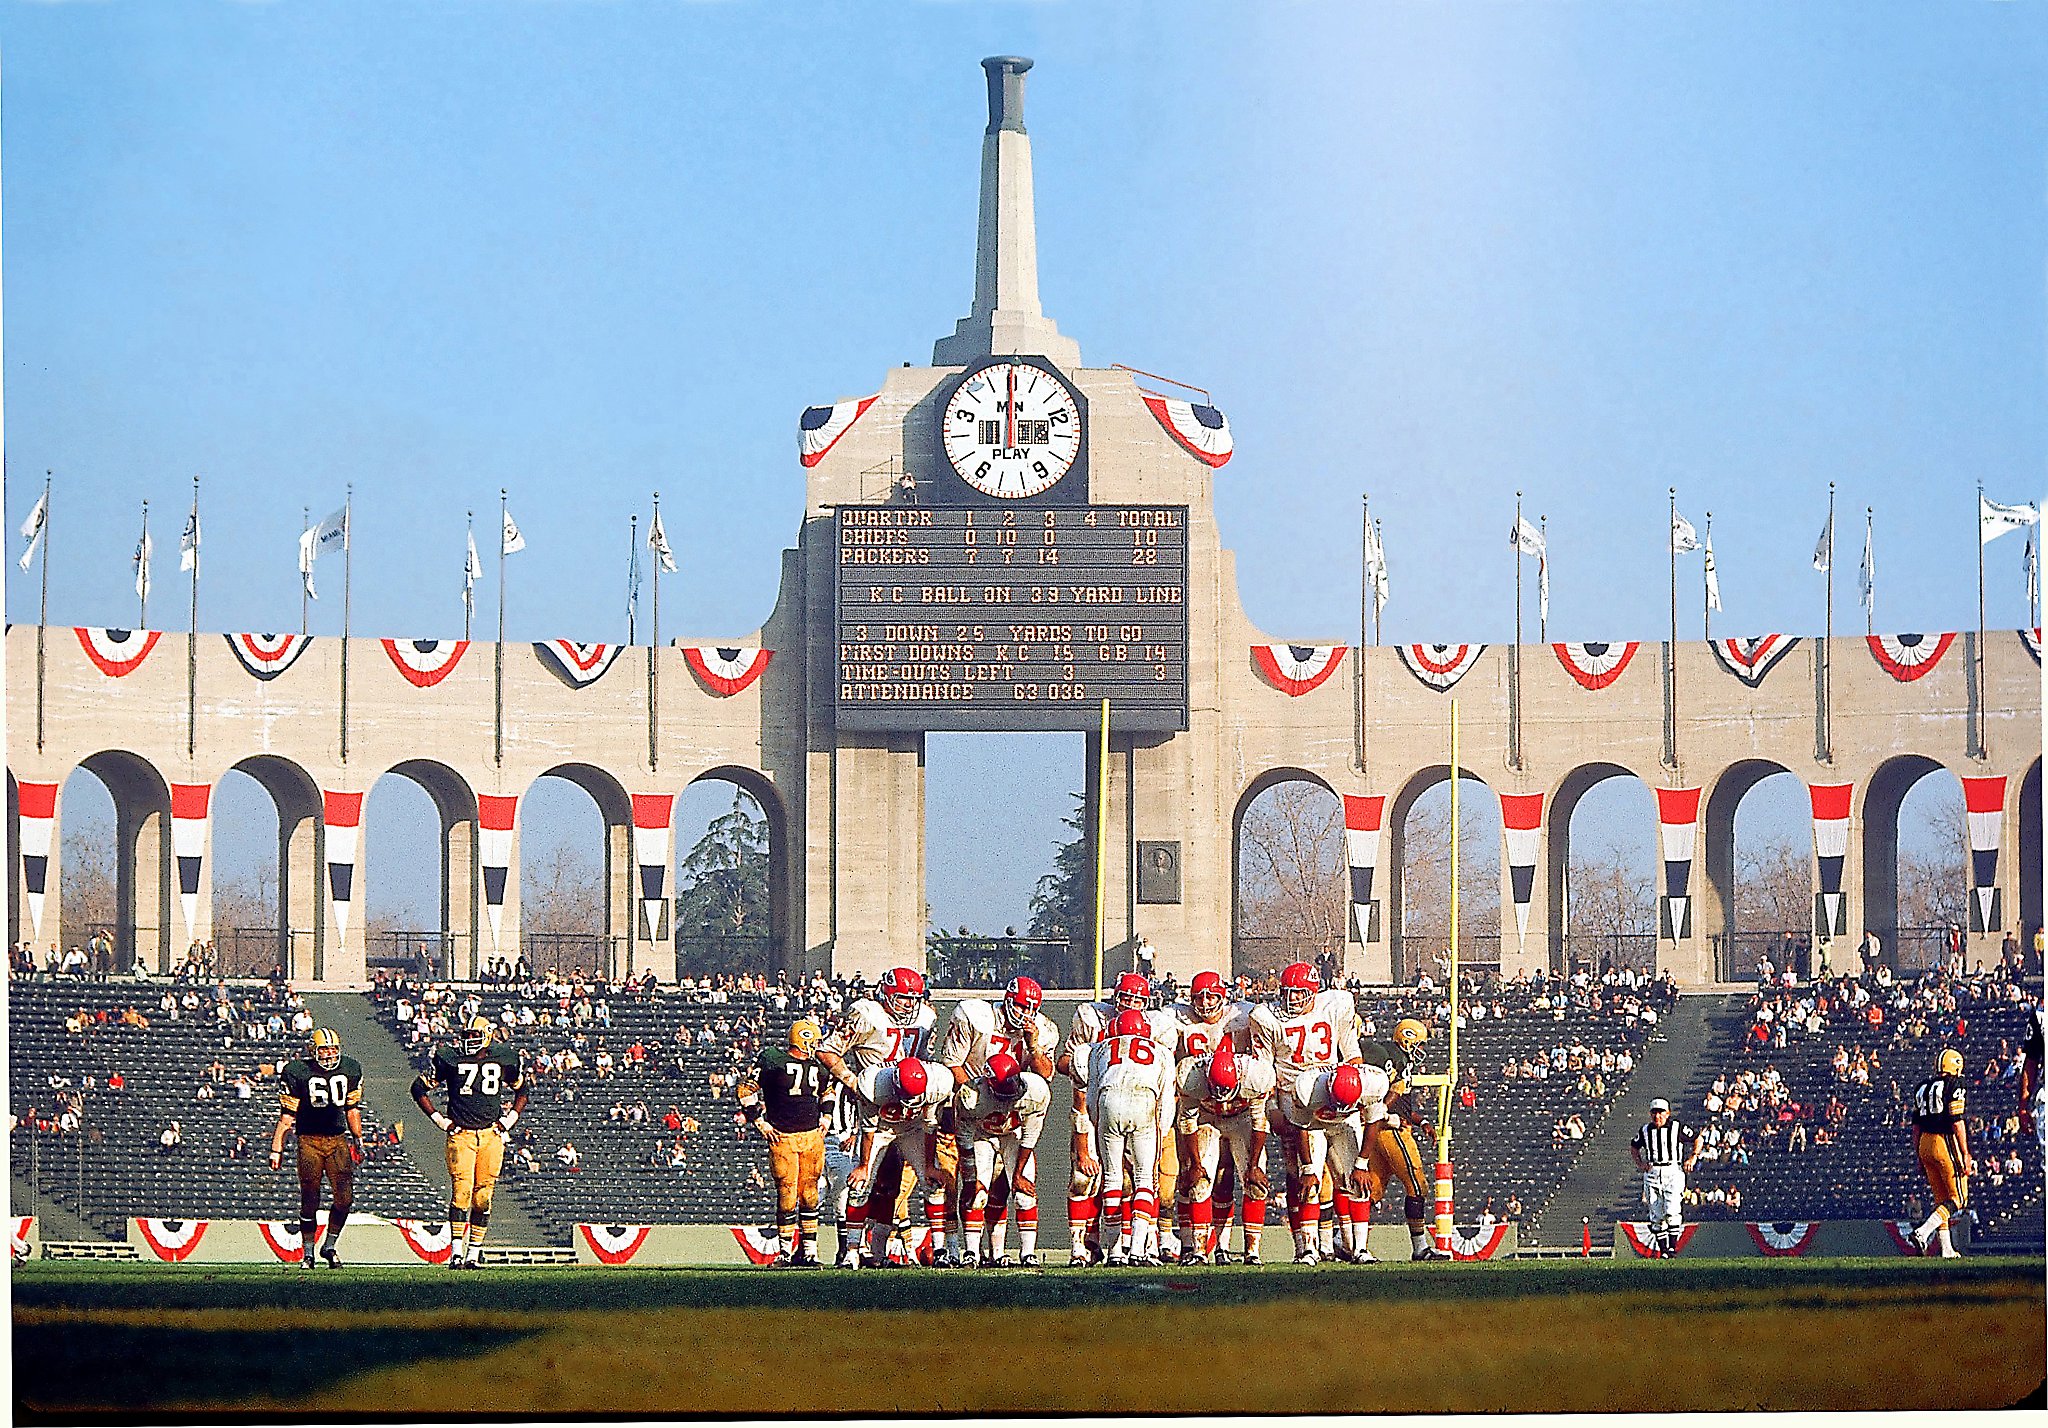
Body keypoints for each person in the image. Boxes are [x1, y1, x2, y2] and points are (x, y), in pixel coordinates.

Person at [1250, 962, 1362, 1262]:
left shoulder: (1335, 1005)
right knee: (1299, 1174)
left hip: (1328, 1092)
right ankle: (1305, 1245)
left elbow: (1353, 1055)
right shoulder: (1266, 1018)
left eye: (1300, 993)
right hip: (1291, 1096)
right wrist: (1271, 1107)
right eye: (1288, 993)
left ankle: (1349, 1244)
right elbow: (1264, 1069)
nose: (1292, 999)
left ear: (1314, 991)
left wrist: (1347, 1092)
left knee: (1344, 1173)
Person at [412, 1015, 528, 1269]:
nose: (470, 1041)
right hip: (462, 1134)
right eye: (467, 1036)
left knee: (483, 1197)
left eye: (475, 1036)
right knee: (461, 1192)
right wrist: (441, 1121)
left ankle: (473, 1254)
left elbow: (522, 1089)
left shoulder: (503, 1058)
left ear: (487, 1036)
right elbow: (418, 1088)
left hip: (491, 1135)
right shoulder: (450, 1058)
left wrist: (509, 1121)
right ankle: (455, 1253)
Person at [1072, 1008, 1173, 1265]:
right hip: (1144, 1100)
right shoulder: (1160, 1051)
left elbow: (1091, 1095)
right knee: (1144, 1179)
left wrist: (1099, 1122)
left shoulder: (1099, 1048)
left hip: (1109, 1100)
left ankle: (1115, 1251)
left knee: (1113, 1177)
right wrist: (1160, 1131)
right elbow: (1166, 1101)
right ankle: (1138, 1249)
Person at [843, 1055, 955, 1268]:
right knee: (860, 1185)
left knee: (932, 1183)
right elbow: (868, 1130)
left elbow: (930, 1127)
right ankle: (852, 1252)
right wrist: (864, 1166)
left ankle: (940, 1250)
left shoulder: (939, 1082)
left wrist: (930, 1166)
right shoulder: (873, 1084)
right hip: (881, 1130)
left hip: (913, 1130)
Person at [737, 1016, 831, 1267]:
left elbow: (827, 1092)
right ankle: (785, 1254)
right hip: (784, 1137)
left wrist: (827, 1117)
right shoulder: (773, 1060)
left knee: (810, 1194)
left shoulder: (818, 1066)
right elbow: (745, 1090)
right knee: (788, 1194)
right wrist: (760, 1122)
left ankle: (809, 1252)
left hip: (812, 1136)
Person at [269, 1028, 365, 1268]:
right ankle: (308, 1252)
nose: (330, 1054)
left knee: (345, 1199)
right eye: (324, 1049)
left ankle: (329, 1246)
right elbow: (287, 1115)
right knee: (310, 1198)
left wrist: (358, 1139)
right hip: (309, 1140)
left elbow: (352, 1109)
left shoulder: (350, 1069)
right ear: (313, 1050)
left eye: (333, 1049)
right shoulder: (298, 1072)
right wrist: (276, 1147)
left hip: (337, 1139)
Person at [1358, 1018, 1449, 1261]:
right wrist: (1384, 1115)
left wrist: (1422, 1122)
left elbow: (1401, 1102)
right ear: (1407, 1039)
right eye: (1418, 1043)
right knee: (1418, 1186)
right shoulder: (1391, 1057)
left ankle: (1345, 1242)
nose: (1421, 1049)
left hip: (1383, 1131)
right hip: (1392, 1131)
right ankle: (1420, 1248)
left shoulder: (1400, 1060)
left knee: (1371, 1192)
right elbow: (1380, 1095)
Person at [953, 1051, 1052, 1266]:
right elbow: (964, 1140)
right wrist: (971, 1179)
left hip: (1013, 1136)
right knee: (977, 1195)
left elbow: (1030, 1135)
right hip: (983, 1137)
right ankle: (972, 1252)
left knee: (1025, 1194)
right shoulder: (971, 1097)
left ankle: (1027, 1253)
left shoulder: (1035, 1090)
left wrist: (1018, 1175)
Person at [1907, 1048, 1973, 1258]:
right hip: (1943, 1141)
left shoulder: (1923, 1087)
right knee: (1959, 1198)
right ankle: (1923, 1232)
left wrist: (1918, 1154)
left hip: (1925, 1144)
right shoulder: (1954, 1084)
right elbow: (1957, 1120)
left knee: (1941, 1199)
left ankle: (1946, 1249)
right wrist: (1965, 1152)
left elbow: (1915, 1126)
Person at [1629, 1098, 1699, 1257]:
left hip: (1672, 1169)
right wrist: (1640, 1164)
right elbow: (1634, 1147)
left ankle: (1672, 1248)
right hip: (1653, 1170)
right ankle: (1665, 1251)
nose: (1657, 1116)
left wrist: (1693, 1157)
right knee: (1656, 1212)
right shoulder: (1645, 1130)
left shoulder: (1676, 1127)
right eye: (1654, 1112)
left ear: (1667, 1113)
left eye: (1661, 1112)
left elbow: (1697, 1138)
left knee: (1672, 1209)